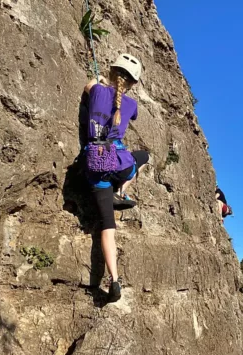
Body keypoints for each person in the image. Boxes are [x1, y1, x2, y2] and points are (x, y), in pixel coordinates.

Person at [83, 53, 149, 302]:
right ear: (132, 83)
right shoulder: (130, 105)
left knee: (107, 228)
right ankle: (121, 191)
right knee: (144, 158)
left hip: (96, 165)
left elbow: (90, 87)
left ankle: (115, 279)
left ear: (111, 71)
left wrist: (99, 79)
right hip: (119, 162)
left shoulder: (97, 90)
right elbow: (129, 114)